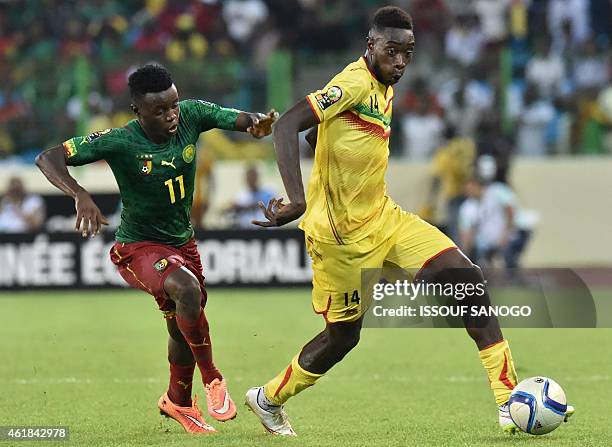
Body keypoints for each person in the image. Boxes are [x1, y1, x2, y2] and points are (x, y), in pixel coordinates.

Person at [244, 6, 573, 436]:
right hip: (341, 240)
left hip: (385, 218)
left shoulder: (384, 84)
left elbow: (316, 132)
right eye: (391, 51)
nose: (400, 61)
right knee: (342, 339)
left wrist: (325, 140)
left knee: (468, 282)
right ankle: (267, 399)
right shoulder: (354, 82)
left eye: (408, 53)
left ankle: (508, 399)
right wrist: (299, 199)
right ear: (371, 45)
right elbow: (287, 124)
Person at [35, 64, 277, 434]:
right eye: (161, 110)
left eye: (174, 105)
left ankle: (177, 402)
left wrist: (257, 124)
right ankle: (213, 380)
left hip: (184, 242)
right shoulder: (120, 140)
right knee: (187, 290)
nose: (171, 115)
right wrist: (79, 194)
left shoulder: (192, 115)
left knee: (182, 324)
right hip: (137, 247)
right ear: (138, 111)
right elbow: (48, 157)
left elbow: (241, 119)